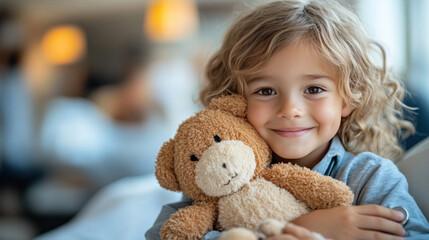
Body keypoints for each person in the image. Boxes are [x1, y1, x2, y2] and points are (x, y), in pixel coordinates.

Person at [146, 0, 429, 239]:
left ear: (348, 98)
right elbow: (165, 232)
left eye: (314, 89)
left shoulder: (369, 177)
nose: (290, 109)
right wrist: (296, 229)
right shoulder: (222, 177)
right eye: (266, 91)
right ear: (234, 100)